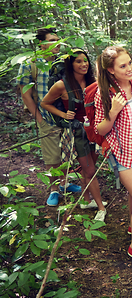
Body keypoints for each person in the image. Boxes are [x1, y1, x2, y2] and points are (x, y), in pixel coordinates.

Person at [94, 46, 132, 265]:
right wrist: (112, 113)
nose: (129, 68)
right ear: (111, 70)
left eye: (129, 62)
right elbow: (100, 130)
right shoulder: (105, 93)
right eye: (123, 66)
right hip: (121, 151)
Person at [41, 48, 107, 221]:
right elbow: (45, 103)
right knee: (90, 170)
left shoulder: (93, 81)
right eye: (78, 61)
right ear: (70, 65)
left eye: (85, 60)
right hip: (77, 133)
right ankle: (100, 207)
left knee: (90, 167)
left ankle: (86, 201)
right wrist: (63, 115)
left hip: (93, 130)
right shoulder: (62, 85)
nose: (83, 64)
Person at [17, 28, 81, 207]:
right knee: (51, 156)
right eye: (52, 40)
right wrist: (38, 117)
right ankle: (54, 189)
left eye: (58, 39)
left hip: (65, 116)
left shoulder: (62, 62)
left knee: (65, 152)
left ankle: (65, 184)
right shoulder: (31, 64)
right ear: (41, 44)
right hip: (46, 116)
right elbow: (26, 94)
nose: (57, 43)